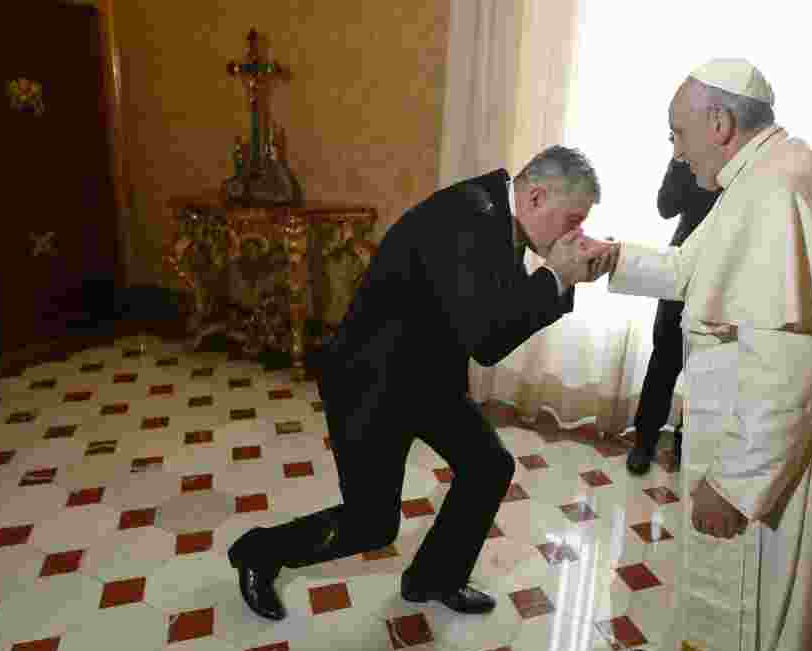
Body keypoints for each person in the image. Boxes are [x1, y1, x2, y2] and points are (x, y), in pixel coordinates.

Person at [583, 59, 812, 651]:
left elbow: (793, 371)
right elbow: (690, 267)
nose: (675, 149)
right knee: (735, 611)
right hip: (792, 435)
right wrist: (611, 256)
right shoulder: (765, 175)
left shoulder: (780, 192)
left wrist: (734, 485)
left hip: (800, 454)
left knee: (770, 622)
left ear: (720, 123)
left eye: (678, 134)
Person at [228, 146, 611, 621]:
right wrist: (555, 276)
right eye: (572, 220)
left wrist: (562, 278)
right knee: (371, 525)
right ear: (535, 197)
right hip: (369, 382)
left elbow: (497, 322)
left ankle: (434, 578)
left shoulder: (500, 215)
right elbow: (488, 339)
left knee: (488, 466)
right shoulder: (467, 218)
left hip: (426, 378)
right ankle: (257, 552)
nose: (575, 234)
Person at [626, 157, 720, 476]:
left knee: (707, 367)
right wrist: (679, 162)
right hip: (680, 271)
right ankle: (644, 442)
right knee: (663, 362)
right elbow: (666, 207)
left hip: (724, 275)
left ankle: (686, 444)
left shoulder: (745, 165)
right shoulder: (689, 156)